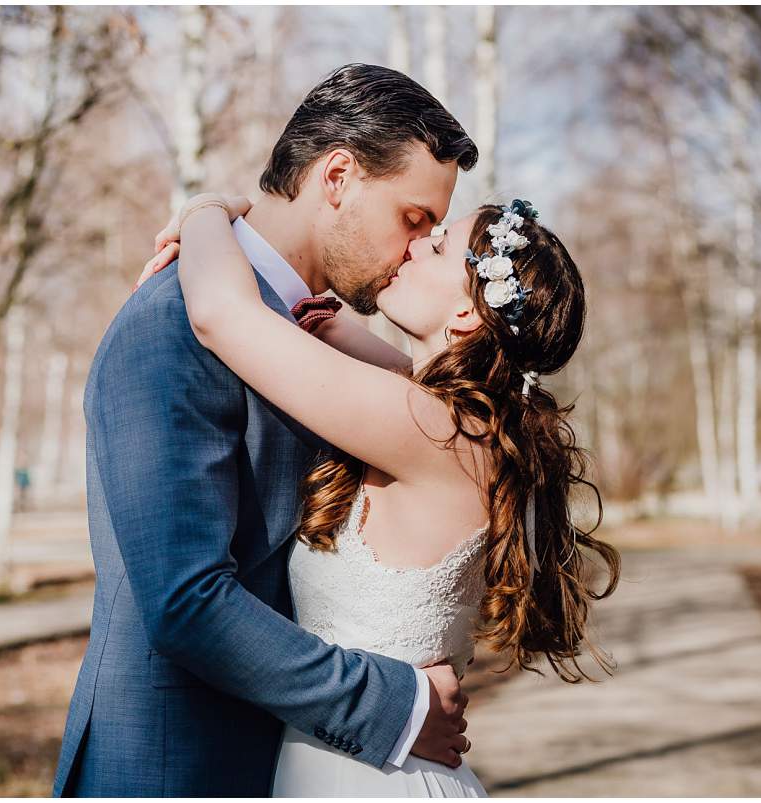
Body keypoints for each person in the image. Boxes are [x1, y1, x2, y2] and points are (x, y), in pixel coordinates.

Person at [52, 64, 481, 797]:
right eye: (413, 219)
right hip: (176, 770)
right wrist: (395, 705)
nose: (417, 248)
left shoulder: (313, 341)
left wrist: (205, 211)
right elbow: (187, 603)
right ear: (338, 176)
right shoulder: (169, 327)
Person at [135, 189, 622, 796]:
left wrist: (206, 210)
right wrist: (340, 332)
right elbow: (406, 378)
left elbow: (221, 313)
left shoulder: (438, 432)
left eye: (439, 246)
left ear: (468, 314)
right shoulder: (475, 429)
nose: (418, 243)